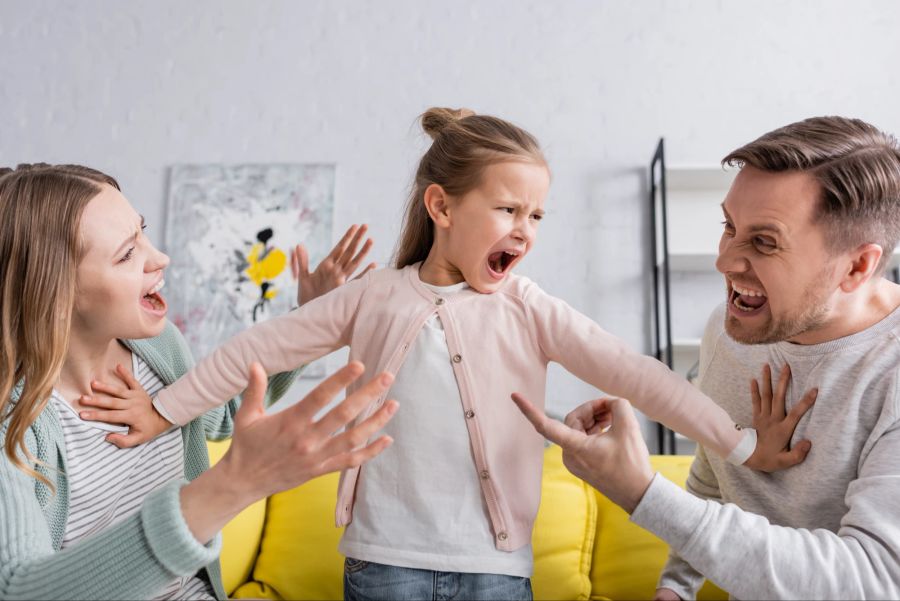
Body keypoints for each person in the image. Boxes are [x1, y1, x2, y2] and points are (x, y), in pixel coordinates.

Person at [114, 107, 805, 601]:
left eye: (536, 215)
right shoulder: (372, 296)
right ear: (441, 206)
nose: (525, 230)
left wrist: (740, 444)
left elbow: (640, 376)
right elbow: (255, 349)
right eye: (508, 210)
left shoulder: (529, 308)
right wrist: (164, 411)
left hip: (497, 568)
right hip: (383, 564)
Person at [512, 116, 900, 600]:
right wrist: (676, 588)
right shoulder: (731, 329)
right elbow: (717, 479)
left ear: (858, 266)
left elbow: (875, 581)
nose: (725, 261)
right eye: (729, 226)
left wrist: (641, 492)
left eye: (764, 242)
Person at [0, 163, 397, 600]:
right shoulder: (14, 425)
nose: (160, 258)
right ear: (54, 292)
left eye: (143, 232)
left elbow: (220, 416)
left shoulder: (157, 349)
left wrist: (307, 321)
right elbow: (21, 591)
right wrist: (234, 483)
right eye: (127, 253)